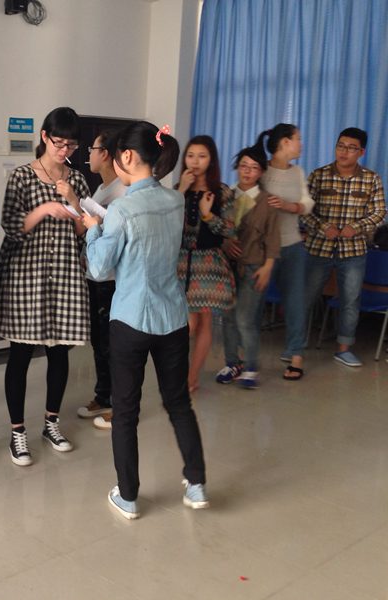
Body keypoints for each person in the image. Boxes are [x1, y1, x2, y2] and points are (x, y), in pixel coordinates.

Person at [83, 121, 209, 520]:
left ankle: (129, 495)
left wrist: (92, 230)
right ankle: (197, 484)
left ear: (127, 156)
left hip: (131, 319)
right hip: (172, 318)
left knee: (126, 410)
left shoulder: (122, 208)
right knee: (178, 403)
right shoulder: (174, 200)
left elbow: (99, 268)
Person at [0, 107, 90, 466]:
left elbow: (84, 230)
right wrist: (44, 209)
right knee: (21, 353)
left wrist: (72, 201)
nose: (64, 151)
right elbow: (11, 226)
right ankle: (17, 431)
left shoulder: (77, 180)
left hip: (64, 275)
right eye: (59, 143)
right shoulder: (22, 176)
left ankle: (51, 423)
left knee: (60, 353)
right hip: (26, 276)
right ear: (44, 136)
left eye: (71, 146)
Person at [303, 128, 386, 367]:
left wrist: (357, 227)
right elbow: (304, 210)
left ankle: (343, 349)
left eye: (351, 148)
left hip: (353, 251)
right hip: (319, 247)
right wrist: (323, 226)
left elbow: (380, 212)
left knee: (350, 300)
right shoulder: (318, 175)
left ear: (361, 152)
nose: (344, 151)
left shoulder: (371, 178)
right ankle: (296, 345)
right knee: (306, 296)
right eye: (341, 146)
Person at [216, 145, 280, 389]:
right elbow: (216, 228)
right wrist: (224, 243)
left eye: (253, 168)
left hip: (254, 266)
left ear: (261, 172)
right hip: (226, 266)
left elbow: (273, 238)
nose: (247, 171)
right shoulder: (226, 195)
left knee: (245, 319)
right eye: (243, 166)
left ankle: (251, 367)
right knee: (228, 317)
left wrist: (268, 267)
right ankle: (232, 363)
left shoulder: (267, 201)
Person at [176, 135, 236, 393]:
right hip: (181, 262)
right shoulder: (178, 189)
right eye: (191, 156)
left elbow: (229, 230)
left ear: (211, 160)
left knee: (204, 322)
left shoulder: (222, 192)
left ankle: (191, 378)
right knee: (186, 324)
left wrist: (208, 214)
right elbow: (165, 222)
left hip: (209, 264)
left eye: (202, 156)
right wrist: (180, 191)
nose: (195, 161)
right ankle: (180, 375)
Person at [77, 129, 126, 431]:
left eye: (92, 150)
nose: (89, 156)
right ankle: (103, 395)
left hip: (111, 279)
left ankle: (119, 406)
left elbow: (114, 234)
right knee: (99, 341)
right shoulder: (101, 189)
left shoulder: (122, 190)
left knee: (111, 344)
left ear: (105, 154)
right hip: (95, 275)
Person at [257, 124, 314, 380]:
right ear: (284, 142)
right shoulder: (262, 170)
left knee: (295, 302)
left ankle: (296, 354)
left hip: (292, 245)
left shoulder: (297, 171)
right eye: (298, 139)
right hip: (262, 249)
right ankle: (246, 358)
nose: (301, 143)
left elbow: (307, 203)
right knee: (255, 303)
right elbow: (245, 198)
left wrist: (290, 206)